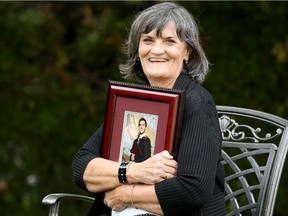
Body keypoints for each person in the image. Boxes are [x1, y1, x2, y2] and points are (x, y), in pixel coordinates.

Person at [72, 2, 225, 216]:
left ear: (187, 52)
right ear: (138, 49)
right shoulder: (133, 102)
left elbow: (193, 190)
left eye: (170, 41)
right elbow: (82, 167)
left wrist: (125, 194)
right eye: (148, 40)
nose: (156, 49)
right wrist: (135, 171)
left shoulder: (197, 103)